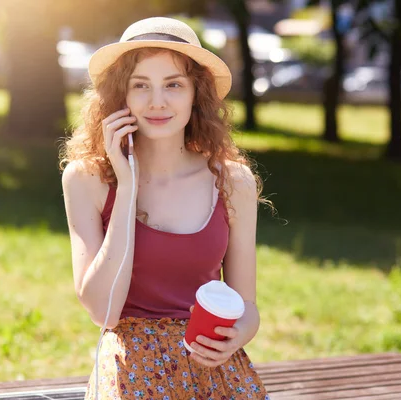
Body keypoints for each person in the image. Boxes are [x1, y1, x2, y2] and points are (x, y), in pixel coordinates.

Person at [60, 16, 271, 400]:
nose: (157, 101)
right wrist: (127, 186)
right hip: (129, 373)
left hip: (213, 370)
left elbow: (248, 306)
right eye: (140, 85)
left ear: (196, 94)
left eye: (173, 84)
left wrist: (237, 334)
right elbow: (103, 312)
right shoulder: (86, 179)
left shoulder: (232, 181)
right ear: (119, 96)